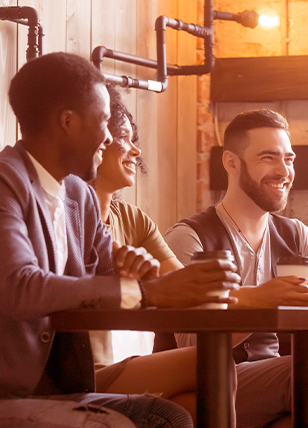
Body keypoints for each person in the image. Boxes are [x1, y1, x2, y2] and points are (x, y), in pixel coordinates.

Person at [0, 52, 240, 428]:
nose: (110, 137)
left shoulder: (78, 195)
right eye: (104, 121)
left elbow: (108, 282)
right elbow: (20, 288)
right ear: (68, 122)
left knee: (168, 417)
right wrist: (147, 293)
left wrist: (137, 276)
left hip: (62, 390)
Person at [164, 108, 308, 428]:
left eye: (289, 159)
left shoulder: (297, 235)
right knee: (307, 379)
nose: (283, 170)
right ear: (231, 163)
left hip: (270, 388)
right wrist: (262, 299)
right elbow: (189, 343)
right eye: (268, 158)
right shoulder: (189, 237)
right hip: (201, 385)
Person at [89, 84, 235, 426]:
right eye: (124, 136)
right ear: (97, 140)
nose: (135, 150)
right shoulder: (65, 215)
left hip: (118, 366)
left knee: (190, 404)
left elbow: (187, 289)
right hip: (82, 373)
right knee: (209, 363)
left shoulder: (133, 219)